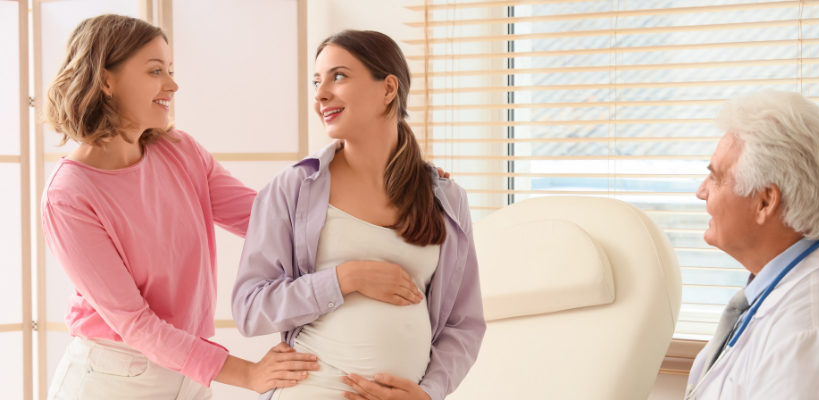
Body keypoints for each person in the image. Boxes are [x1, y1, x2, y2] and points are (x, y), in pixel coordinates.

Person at [40, 15, 438, 399]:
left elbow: (269, 220)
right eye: (155, 70)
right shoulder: (69, 195)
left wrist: (395, 179)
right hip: (114, 377)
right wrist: (247, 374)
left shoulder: (179, 151)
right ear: (106, 80)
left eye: (170, 70)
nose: (173, 84)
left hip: (189, 372)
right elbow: (135, 323)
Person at [231, 30, 486, 400]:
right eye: (317, 81)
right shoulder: (293, 188)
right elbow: (250, 310)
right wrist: (344, 279)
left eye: (338, 76)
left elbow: (464, 325)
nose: (320, 94)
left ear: (388, 89)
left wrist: (428, 393)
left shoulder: (445, 199)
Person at [685, 90, 819, 399]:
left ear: (765, 201)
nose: (701, 191)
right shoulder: (794, 288)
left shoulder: (812, 340)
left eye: (716, 178)